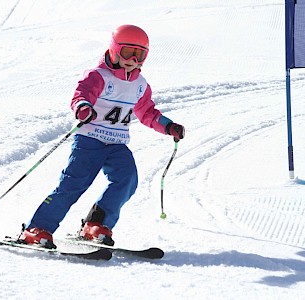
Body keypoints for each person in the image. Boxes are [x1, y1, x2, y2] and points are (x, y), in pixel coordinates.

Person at [20, 24, 185, 249]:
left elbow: (147, 113)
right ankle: (36, 229)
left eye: (140, 54)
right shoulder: (99, 76)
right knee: (73, 184)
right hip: (90, 140)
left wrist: (168, 126)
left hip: (116, 144)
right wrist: (83, 107)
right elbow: (81, 95)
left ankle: (95, 225)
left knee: (127, 181)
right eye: (128, 52)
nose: (133, 60)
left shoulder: (140, 85)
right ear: (115, 49)